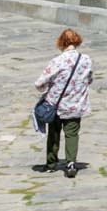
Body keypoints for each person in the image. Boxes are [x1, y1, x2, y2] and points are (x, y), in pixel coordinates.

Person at [33, 28, 94, 178]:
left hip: (56, 104)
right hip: (76, 103)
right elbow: (90, 79)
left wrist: (47, 89)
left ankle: (51, 164)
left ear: (61, 42)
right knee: (72, 133)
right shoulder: (86, 59)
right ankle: (71, 163)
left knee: (54, 133)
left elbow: (40, 82)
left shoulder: (57, 61)